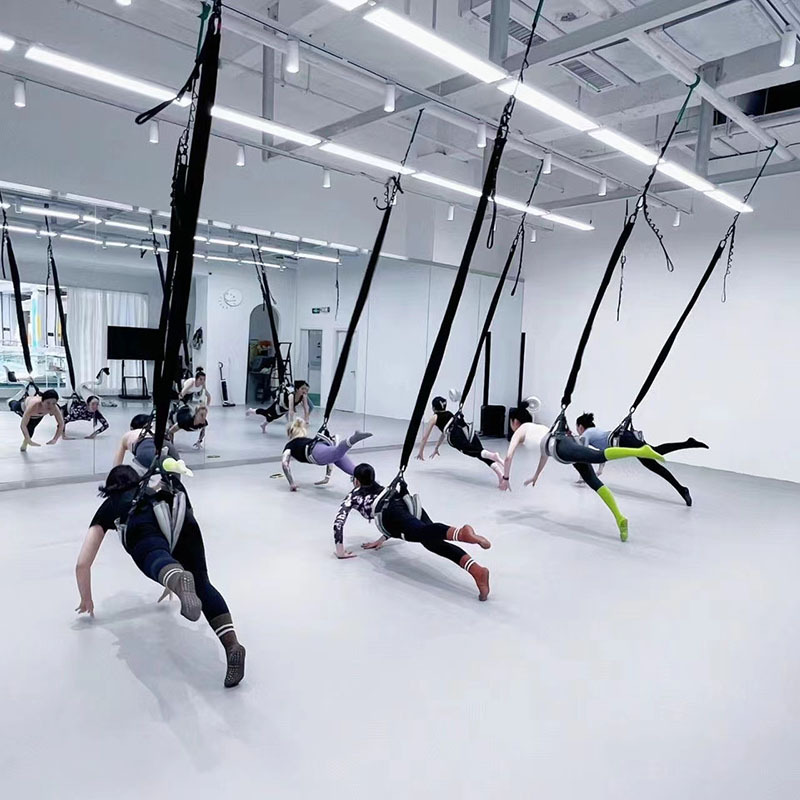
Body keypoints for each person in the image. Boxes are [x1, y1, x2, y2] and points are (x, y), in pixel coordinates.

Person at [75, 464, 245, 688]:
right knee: (202, 584)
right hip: (183, 520)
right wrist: (172, 578)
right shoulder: (161, 487)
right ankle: (232, 645)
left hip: (142, 525)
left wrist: (86, 599)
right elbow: (174, 528)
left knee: (151, 554)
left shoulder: (112, 504)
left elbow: (82, 564)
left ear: (111, 488)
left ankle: (177, 580)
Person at [500, 405, 668, 542]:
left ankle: (640, 451)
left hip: (562, 447)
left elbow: (508, 457)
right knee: (593, 481)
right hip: (562, 447)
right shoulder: (535, 428)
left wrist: (505, 478)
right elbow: (544, 453)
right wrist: (536, 475)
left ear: (515, 422)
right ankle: (620, 518)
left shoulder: (520, 431)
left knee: (598, 456)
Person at [332, 463, 491, 601]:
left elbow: (338, 524)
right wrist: (381, 539)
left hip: (392, 518)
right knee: (432, 542)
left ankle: (462, 534)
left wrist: (340, 552)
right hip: (408, 506)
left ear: (356, 480)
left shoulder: (353, 496)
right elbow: (387, 507)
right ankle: (477, 571)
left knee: (425, 534)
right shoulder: (382, 488)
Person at [575, 412, 708, 507]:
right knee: (655, 462)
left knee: (655, 455)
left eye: (577, 428)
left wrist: (584, 476)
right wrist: (599, 471)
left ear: (581, 426)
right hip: (624, 439)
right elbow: (601, 454)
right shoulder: (594, 431)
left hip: (624, 440)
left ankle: (687, 445)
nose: (578, 431)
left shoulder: (586, 434)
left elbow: (584, 455)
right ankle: (682, 489)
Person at [416, 397, 504, 484]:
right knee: (479, 452)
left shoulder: (435, 417)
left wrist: (420, 452)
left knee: (474, 452)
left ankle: (493, 455)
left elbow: (425, 437)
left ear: (433, 408)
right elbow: (444, 432)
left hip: (456, 436)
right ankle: (500, 474)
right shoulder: (449, 414)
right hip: (467, 430)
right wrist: (436, 447)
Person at [281, 418, 372, 491]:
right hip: (320, 446)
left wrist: (292, 484)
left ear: (289, 433)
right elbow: (330, 459)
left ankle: (353, 439)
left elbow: (285, 464)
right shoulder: (306, 440)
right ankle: (371, 483)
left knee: (336, 452)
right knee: (353, 470)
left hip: (314, 453)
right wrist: (327, 476)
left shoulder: (289, 446)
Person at [113, 413, 179, 472]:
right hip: (163, 442)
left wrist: (115, 473)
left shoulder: (127, 435)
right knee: (176, 466)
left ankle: (166, 462)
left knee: (150, 459)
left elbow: (117, 461)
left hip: (145, 445)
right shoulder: (151, 431)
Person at [7, 386, 64, 451]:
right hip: (23, 408)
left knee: (30, 429)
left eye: (53, 403)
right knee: (14, 406)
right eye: (48, 403)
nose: (50, 406)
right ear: (42, 401)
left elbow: (61, 424)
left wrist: (55, 439)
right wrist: (28, 440)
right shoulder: (33, 405)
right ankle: (11, 401)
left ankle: (25, 443)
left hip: (37, 415)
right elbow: (23, 425)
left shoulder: (55, 408)